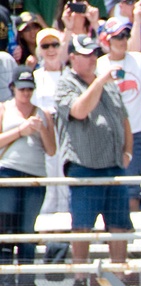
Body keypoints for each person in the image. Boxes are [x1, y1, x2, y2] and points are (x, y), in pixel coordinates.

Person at [55, 34, 133, 286]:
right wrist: (100, 81)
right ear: (73, 58)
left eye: (93, 54)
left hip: (114, 166)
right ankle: (80, 276)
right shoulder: (65, 83)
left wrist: (128, 152)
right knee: (82, 225)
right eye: (86, 55)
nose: (91, 59)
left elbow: (124, 121)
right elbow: (79, 110)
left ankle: (119, 276)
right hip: (84, 166)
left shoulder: (109, 84)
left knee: (120, 224)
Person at [96, 17, 141, 212]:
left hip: (138, 131)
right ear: (107, 40)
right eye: (118, 36)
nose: (123, 40)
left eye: (125, 35)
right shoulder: (98, 65)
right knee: (110, 184)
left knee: (131, 186)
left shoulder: (139, 59)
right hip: (108, 135)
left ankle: (130, 235)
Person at [0, 66, 56, 286]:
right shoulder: (4, 109)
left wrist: (41, 129)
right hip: (8, 171)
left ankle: (26, 279)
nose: (25, 93)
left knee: (27, 227)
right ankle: (4, 277)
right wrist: (20, 131)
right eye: (22, 89)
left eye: (29, 89)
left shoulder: (42, 113)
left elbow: (52, 150)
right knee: (5, 226)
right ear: (13, 88)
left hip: (34, 174)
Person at [31, 28, 70, 215]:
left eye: (55, 44)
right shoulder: (35, 77)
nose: (51, 49)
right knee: (48, 176)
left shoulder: (70, 75)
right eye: (45, 46)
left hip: (68, 131)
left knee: (64, 177)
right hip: (43, 132)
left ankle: (65, 226)